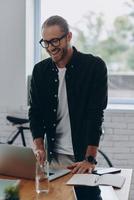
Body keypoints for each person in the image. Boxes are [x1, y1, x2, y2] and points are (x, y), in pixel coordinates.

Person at [29, 15, 108, 175]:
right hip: (52, 159)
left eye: (55, 41)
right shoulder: (39, 71)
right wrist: (38, 148)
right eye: (46, 42)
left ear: (69, 37)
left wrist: (90, 159)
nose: (50, 47)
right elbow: (35, 113)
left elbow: (95, 115)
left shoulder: (94, 67)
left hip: (81, 159)